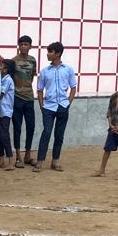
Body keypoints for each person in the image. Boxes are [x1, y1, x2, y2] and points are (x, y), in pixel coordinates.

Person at [34, 41, 77, 172]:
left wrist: (68, 103)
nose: (48, 54)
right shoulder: (44, 71)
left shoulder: (68, 69)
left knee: (59, 135)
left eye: (50, 52)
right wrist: (42, 106)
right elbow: (40, 89)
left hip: (63, 106)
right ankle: (40, 161)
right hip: (48, 107)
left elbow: (73, 87)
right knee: (46, 133)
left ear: (57, 54)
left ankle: (55, 161)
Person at [11, 35, 38, 167]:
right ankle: (18, 156)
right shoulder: (13, 61)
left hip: (29, 98)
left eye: (26, 44)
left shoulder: (33, 60)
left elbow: (32, 77)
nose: (23, 47)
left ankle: (28, 155)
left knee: (31, 126)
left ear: (30, 46)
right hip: (16, 98)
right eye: (21, 44)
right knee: (17, 127)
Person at [0, 59, 16, 170]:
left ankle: (10, 161)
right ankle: (1, 160)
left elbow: (0, 95)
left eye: (1, 66)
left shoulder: (8, 80)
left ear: (6, 70)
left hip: (5, 112)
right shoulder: (0, 79)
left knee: (4, 135)